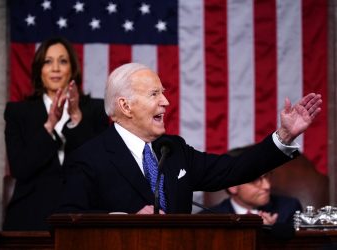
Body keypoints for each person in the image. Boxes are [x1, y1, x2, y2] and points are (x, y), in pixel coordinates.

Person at [58, 62, 322, 215]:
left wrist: (284, 135)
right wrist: (123, 221)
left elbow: (234, 169)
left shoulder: (173, 150)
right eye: (154, 95)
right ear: (125, 106)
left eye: (164, 93)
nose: (166, 102)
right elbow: (69, 221)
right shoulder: (88, 158)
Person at [3, 37, 109, 230]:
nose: (55, 68)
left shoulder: (95, 109)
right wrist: (49, 126)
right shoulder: (18, 112)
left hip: (83, 215)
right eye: (48, 61)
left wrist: (77, 118)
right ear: (39, 70)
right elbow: (20, 169)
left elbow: (101, 166)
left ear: (72, 68)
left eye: (63, 61)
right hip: (30, 216)